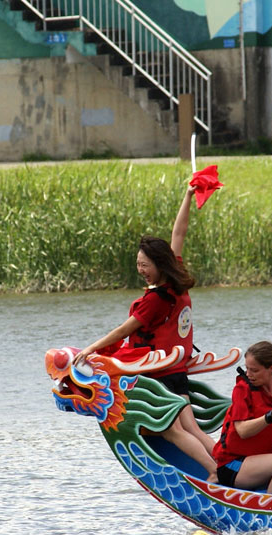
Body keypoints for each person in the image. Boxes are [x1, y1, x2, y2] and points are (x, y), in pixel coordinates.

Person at [75, 183, 217, 481]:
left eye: (144, 265)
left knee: (174, 430)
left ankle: (215, 472)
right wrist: (188, 196)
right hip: (176, 369)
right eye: (138, 264)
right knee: (190, 427)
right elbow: (179, 233)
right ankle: (226, 466)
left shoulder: (156, 300)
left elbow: (123, 331)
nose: (140, 269)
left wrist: (90, 349)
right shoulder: (174, 280)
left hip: (162, 374)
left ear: (159, 264)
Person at [212, 342, 272, 494]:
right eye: (247, 368)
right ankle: (271, 509)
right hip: (233, 464)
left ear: (271, 368)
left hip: (263, 463)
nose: (248, 374)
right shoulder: (242, 389)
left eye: (254, 370)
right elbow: (242, 430)